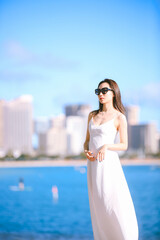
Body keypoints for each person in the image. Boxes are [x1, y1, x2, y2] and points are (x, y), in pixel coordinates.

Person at [84, 79, 139, 240]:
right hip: (93, 165)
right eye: (98, 91)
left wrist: (106, 146)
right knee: (98, 206)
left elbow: (124, 145)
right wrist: (86, 150)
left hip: (108, 165)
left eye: (104, 91)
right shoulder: (92, 115)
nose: (100, 94)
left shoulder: (119, 117)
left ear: (113, 93)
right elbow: (86, 140)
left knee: (113, 203)